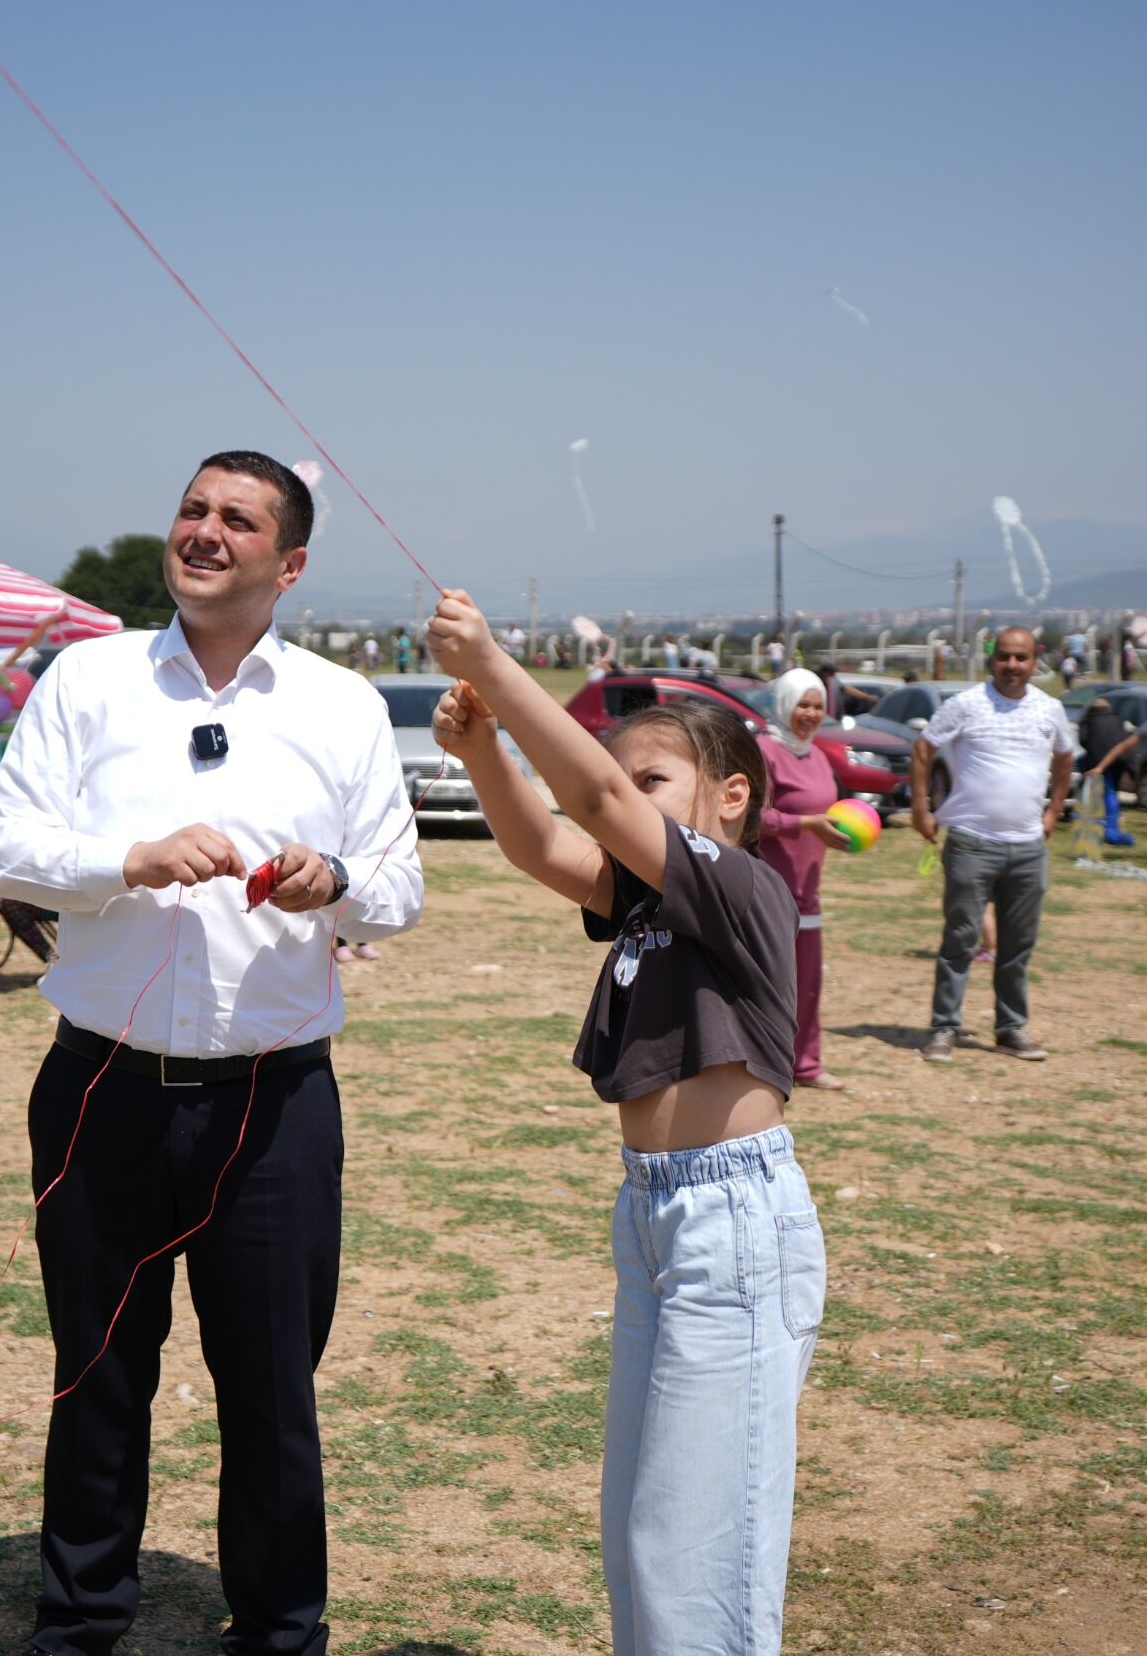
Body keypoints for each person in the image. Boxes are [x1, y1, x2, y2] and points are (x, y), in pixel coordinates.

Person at [0, 450, 422, 1656]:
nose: (205, 531)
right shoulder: (89, 677)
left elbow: (399, 886)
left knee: (271, 1390)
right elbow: (0, 849)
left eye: (238, 518)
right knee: (98, 1371)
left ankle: (279, 1629)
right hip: (100, 1088)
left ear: (292, 562)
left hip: (274, 1105)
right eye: (191, 508)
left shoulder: (343, 703)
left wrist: (336, 885)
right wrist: (124, 859)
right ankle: (79, 1620)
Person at [424, 595, 824, 1656]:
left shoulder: (740, 885)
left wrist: (496, 669)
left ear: (732, 794)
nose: (629, 795)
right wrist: (482, 752)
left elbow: (592, 798)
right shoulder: (652, 902)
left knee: (697, 1534)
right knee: (643, 1519)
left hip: (730, 1216)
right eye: (634, 777)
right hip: (656, 1215)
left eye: (657, 779)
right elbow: (540, 843)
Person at [911, 626, 1074, 1064]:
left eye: (1021, 658)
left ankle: (1010, 1028)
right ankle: (944, 1027)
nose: (1012, 666)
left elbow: (1065, 757)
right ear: (992, 659)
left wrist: (1054, 810)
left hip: (1027, 846)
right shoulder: (967, 704)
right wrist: (922, 809)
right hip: (971, 843)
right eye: (1004, 657)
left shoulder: (1050, 709)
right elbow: (923, 750)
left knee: (1018, 944)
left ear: (1034, 660)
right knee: (960, 939)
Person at [758, 670, 849, 1089]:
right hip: (767, 891)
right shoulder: (763, 751)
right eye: (802, 704)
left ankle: (806, 1065)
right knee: (768, 982)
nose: (810, 714)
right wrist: (807, 823)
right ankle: (762, 1064)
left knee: (808, 981)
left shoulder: (817, 755)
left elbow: (829, 811)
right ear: (784, 705)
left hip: (807, 890)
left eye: (817, 705)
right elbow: (751, 817)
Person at [1074, 697, 1136, 846]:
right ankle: (1111, 825)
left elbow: (1082, 740)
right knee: (1112, 791)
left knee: (1105, 791)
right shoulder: (1117, 719)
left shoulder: (1088, 719)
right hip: (1120, 760)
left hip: (1098, 759)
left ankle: (1109, 829)